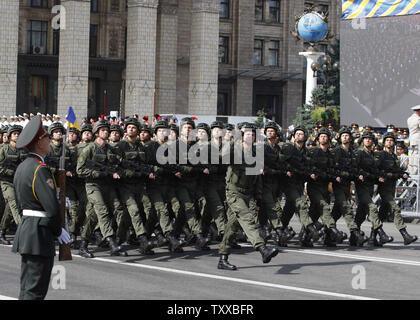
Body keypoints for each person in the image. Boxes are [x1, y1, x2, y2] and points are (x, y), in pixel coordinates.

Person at [12, 115, 70, 300]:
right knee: (35, 291)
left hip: (28, 229)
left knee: (27, 288)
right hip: (39, 233)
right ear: (39, 143)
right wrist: (58, 230)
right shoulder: (39, 168)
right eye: (46, 138)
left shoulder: (23, 167)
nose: (49, 141)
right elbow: (51, 208)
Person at [217, 123, 279, 270]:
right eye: (247, 134)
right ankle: (262, 249)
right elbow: (222, 155)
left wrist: (257, 198)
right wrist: (233, 139)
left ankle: (222, 258)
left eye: (253, 134)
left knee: (232, 227)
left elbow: (257, 177)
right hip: (233, 192)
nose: (250, 136)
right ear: (242, 136)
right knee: (247, 218)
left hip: (247, 193)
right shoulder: (235, 150)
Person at [375, 132, 417, 245]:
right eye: (387, 140)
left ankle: (372, 237)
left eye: (391, 140)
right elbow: (376, 170)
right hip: (384, 188)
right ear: (384, 142)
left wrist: (402, 173)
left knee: (382, 213)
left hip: (391, 188)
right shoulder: (380, 155)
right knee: (395, 208)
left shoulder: (393, 156)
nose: (390, 142)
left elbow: (396, 170)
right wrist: (383, 176)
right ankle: (405, 235)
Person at [0, 125, 28, 244]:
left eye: (18, 133)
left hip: (19, 182)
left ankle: (2, 230)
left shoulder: (24, 150)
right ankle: (23, 233)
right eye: (14, 133)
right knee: (14, 202)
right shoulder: (3, 149)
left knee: (9, 209)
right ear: (10, 136)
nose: (17, 135)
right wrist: (12, 171)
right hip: (6, 182)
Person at [407, 105, 420, 174]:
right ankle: (415, 172)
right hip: (418, 139)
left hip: (412, 139)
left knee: (412, 156)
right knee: (417, 156)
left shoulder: (409, 119)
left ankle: (412, 171)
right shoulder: (418, 119)